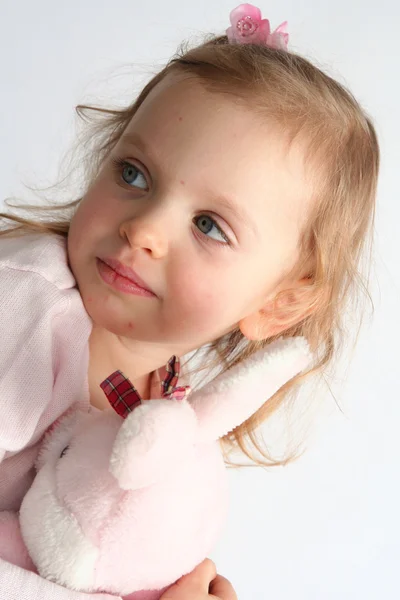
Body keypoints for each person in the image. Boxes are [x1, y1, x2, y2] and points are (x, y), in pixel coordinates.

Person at [0, 3, 378, 599]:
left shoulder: (170, 402)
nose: (143, 230)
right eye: (133, 174)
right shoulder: (25, 310)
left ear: (277, 304)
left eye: (208, 224)